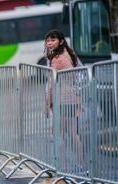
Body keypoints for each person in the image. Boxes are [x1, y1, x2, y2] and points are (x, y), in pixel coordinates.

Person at [44, 29, 83, 170]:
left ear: (61, 41)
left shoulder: (58, 58)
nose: (49, 43)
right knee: (72, 133)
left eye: (53, 40)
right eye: (48, 40)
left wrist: (48, 102)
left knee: (59, 133)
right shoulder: (68, 52)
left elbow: (51, 84)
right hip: (70, 98)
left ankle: (62, 167)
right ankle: (81, 165)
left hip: (62, 99)